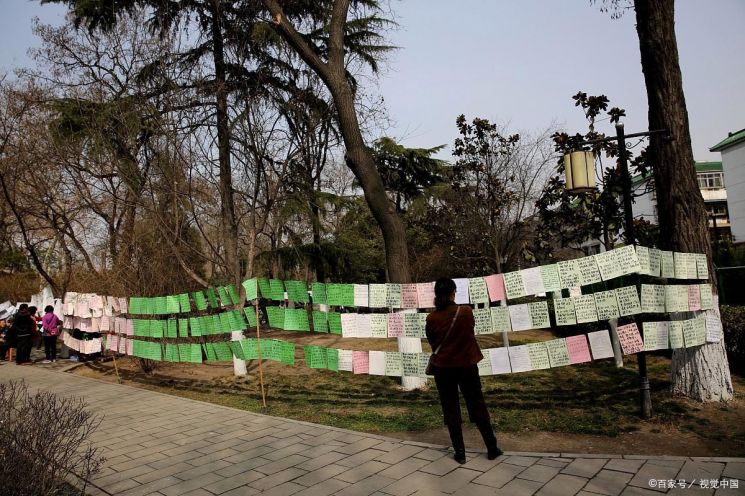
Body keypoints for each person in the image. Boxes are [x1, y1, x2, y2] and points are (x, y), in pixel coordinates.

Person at [425, 277, 502, 464]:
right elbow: (470, 332)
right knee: (477, 404)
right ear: (453, 293)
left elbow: (432, 341)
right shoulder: (466, 312)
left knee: (450, 408)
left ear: (436, 295)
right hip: (467, 365)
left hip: (443, 369)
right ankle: (491, 447)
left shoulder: (432, 318)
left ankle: (460, 453)